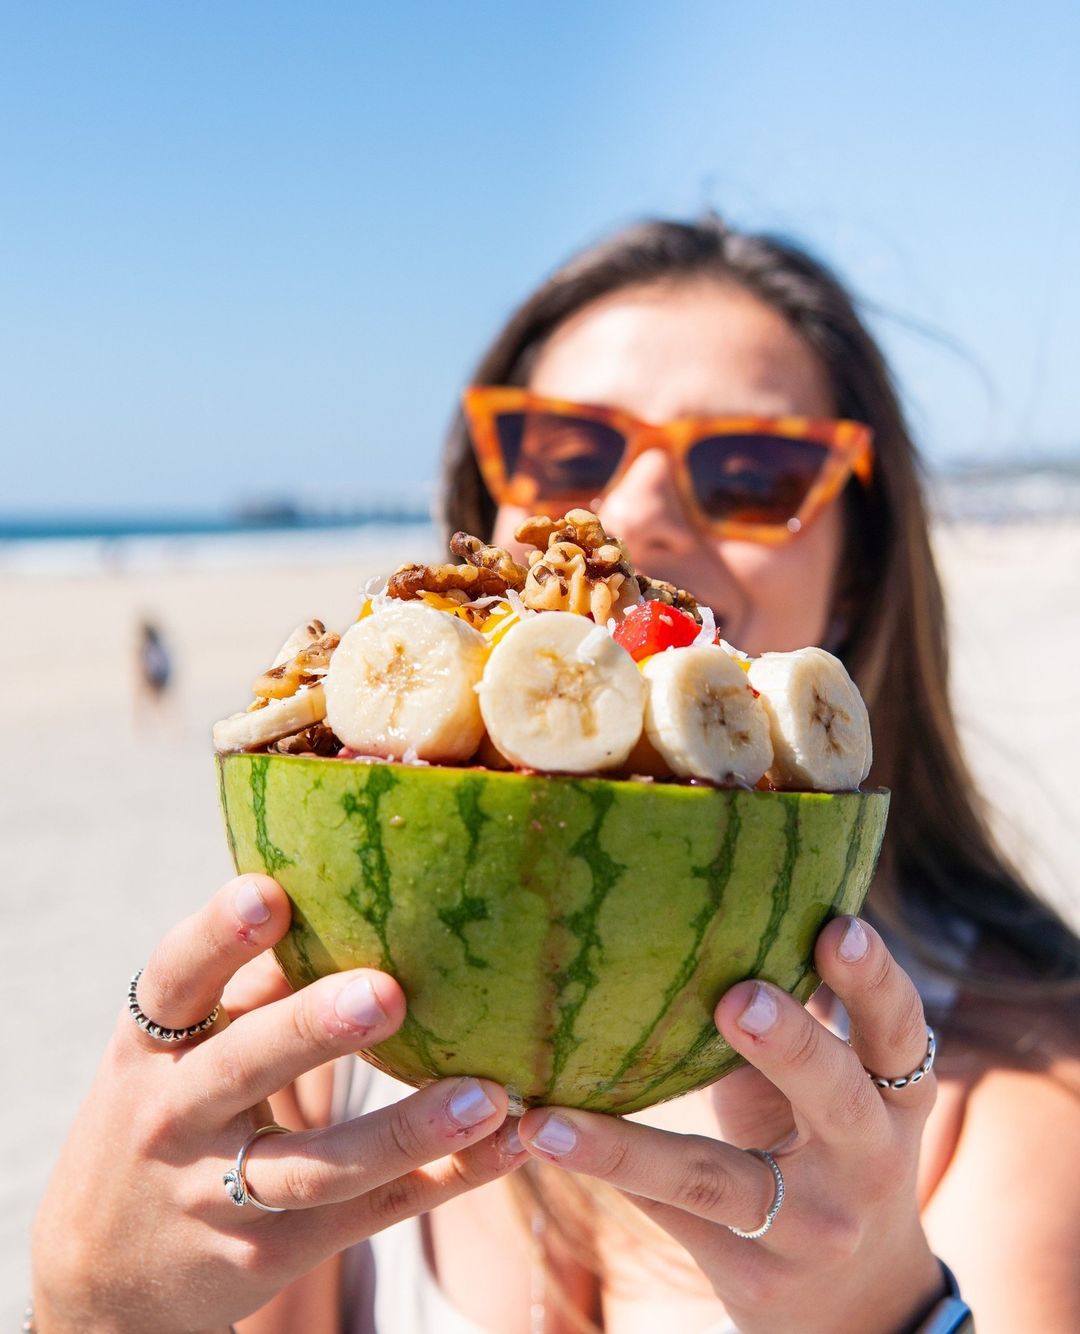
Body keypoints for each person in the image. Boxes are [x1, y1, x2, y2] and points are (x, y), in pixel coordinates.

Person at [31, 217, 1080, 1332]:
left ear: (860, 576)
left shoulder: (1020, 1095)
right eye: (565, 450)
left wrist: (887, 1311)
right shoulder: (318, 1062)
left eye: (753, 469)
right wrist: (94, 1306)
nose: (629, 513)